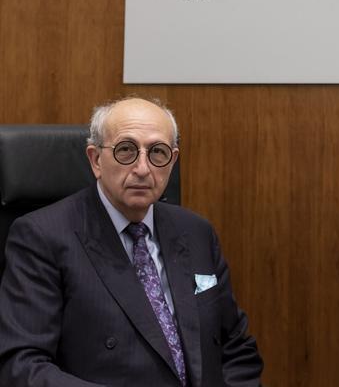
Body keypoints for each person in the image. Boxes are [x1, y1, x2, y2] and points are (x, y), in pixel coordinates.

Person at [0, 97, 263, 386]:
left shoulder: (196, 232)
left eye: (157, 153)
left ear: (172, 161)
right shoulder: (41, 236)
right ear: (96, 159)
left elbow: (236, 350)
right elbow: (22, 365)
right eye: (126, 150)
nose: (142, 168)